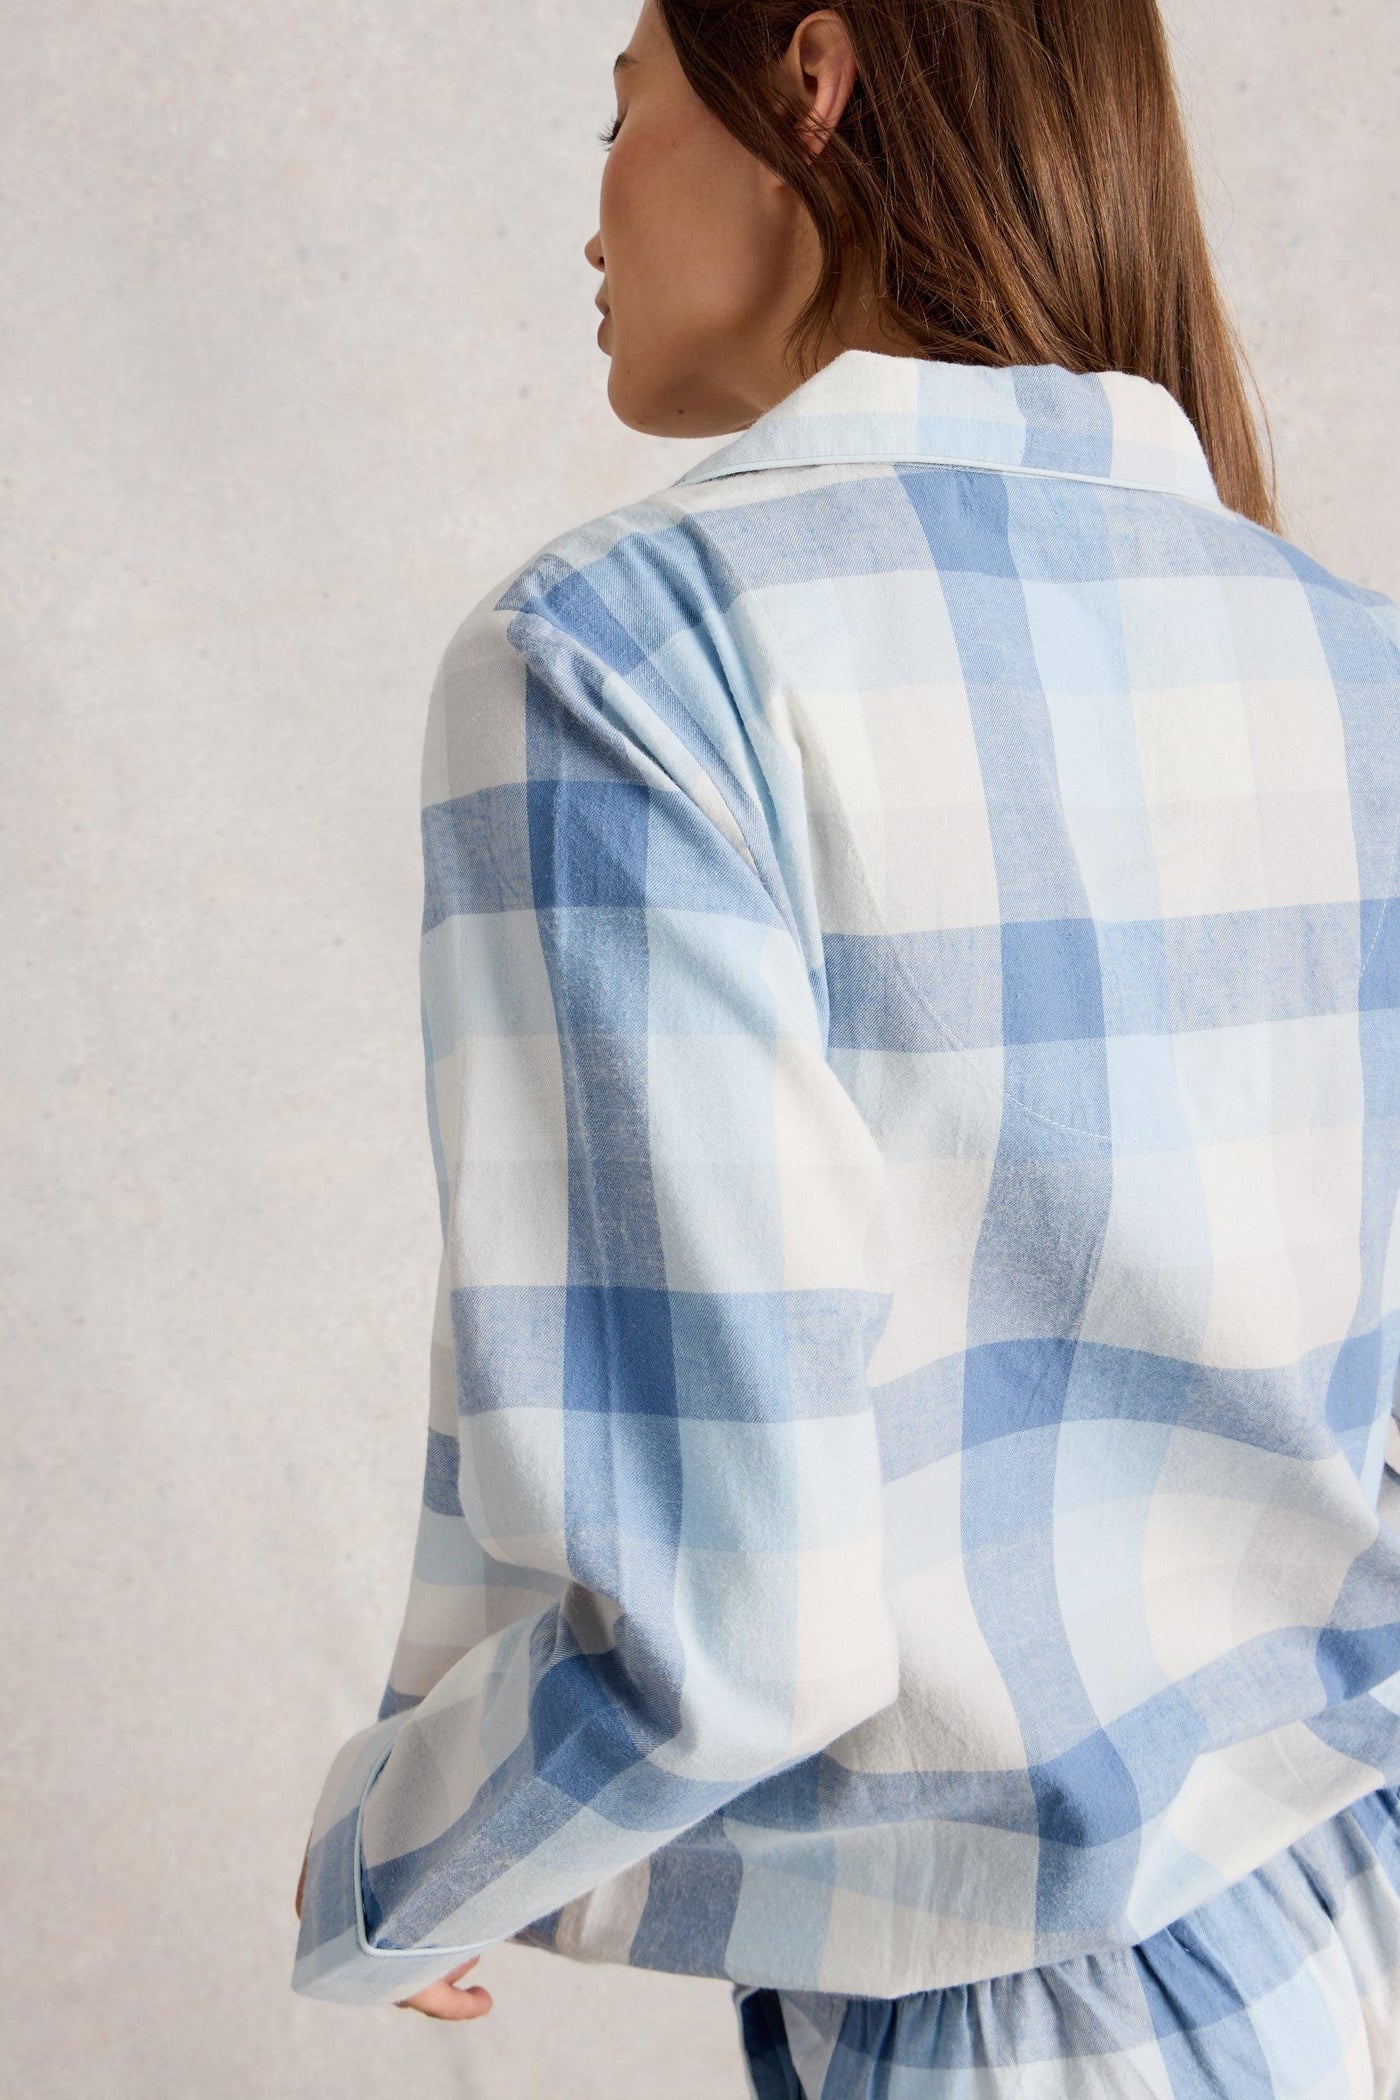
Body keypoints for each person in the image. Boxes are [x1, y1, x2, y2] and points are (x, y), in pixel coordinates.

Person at [290, 1, 1400, 2091]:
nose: (594, 205)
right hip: (1335, 1948)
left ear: (808, 75)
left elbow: (732, 1634)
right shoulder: (1347, 655)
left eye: (618, 109)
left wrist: (396, 1864)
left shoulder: (626, 658)